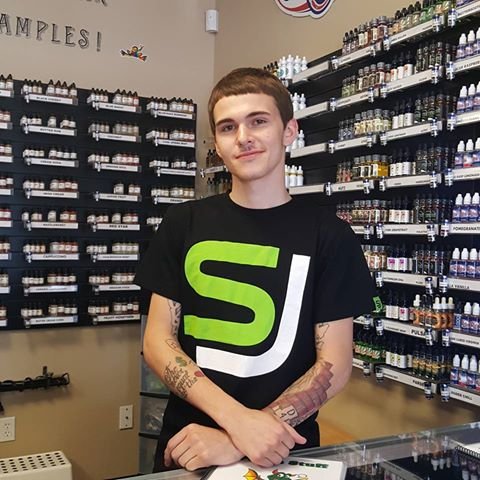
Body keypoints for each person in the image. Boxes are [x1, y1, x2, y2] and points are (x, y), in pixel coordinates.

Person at [134, 67, 377, 473]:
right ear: (217, 143)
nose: (243, 137)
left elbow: (333, 365)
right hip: (191, 449)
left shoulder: (331, 236)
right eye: (228, 127)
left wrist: (244, 437)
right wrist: (239, 424)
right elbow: (158, 342)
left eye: (258, 121)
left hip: (285, 453)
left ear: (289, 131)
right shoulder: (183, 224)